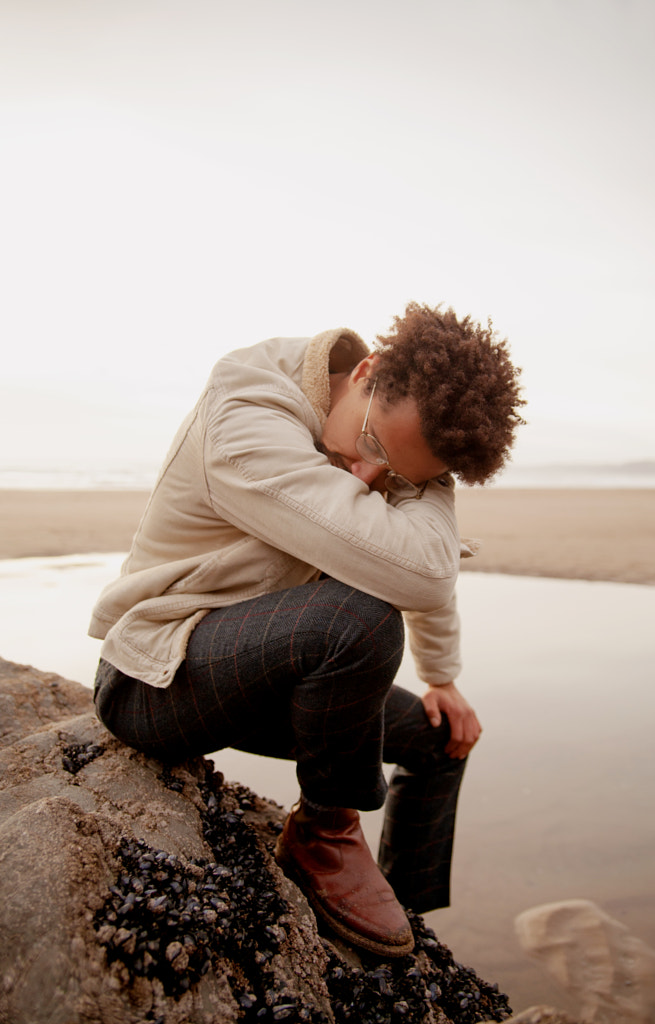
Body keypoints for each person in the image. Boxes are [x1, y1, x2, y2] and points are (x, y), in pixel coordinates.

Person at [89, 301, 525, 958]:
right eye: (373, 445)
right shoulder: (246, 415)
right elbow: (419, 573)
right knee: (359, 619)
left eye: (398, 479)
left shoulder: (376, 432)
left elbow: (419, 565)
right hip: (157, 678)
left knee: (442, 739)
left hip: (272, 676)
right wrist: (420, 487)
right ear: (367, 370)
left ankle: (409, 917)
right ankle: (324, 832)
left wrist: (442, 679)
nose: (366, 473)